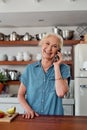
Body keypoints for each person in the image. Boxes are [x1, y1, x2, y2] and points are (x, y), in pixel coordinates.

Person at [18, 33, 71, 119]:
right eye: (47, 43)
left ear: (58, 51)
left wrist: (56, 66)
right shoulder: (30, 69)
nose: (49, 48)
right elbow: (20, 94)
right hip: (32, 118)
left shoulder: (64, 69)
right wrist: (28, 110)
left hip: (55, 120)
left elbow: (61, 93)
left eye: (54, 46)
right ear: (42, 44)